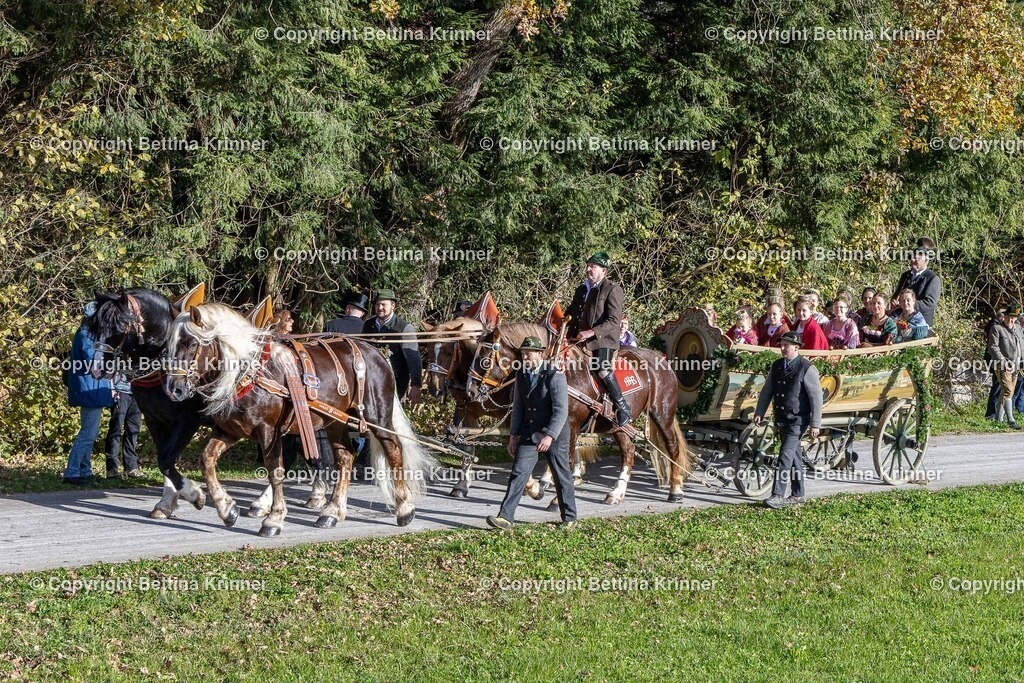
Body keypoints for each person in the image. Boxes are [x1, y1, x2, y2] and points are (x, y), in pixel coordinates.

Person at [487, 337, 577, 530]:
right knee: (518, 473)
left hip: (555, 433)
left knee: (561, 475)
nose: (525, 356)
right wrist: (513, 435)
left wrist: (550, 435)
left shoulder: (554, 375)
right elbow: (518, 407)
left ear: (540, 354)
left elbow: (561, 410)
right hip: (529, 432)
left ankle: (569, 518)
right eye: (523, 353)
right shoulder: (521, 374)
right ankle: (505, 517)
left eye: (529, 353)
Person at [753, 331, 823, 508]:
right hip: (782, 418)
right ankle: (798, 494)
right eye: (781, 345)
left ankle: (777, 495)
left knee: (785, 456)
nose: (783, 348)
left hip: (798, 420)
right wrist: (760, 411)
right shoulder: (777, 366)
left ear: (796, 347)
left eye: (786, 345)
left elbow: (816, 398)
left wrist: (815, 424)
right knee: (794, 457)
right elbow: (767, 390)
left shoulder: (807, 368)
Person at [566, 251, 630, 427]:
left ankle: (622, 406)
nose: (588, 269)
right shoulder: (581, 289)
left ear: (603, 270)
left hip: (604, 340)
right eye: (587, 266)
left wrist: (591, 332)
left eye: (593, 266)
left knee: (601, 368)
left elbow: (613, 321)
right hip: (578, 339)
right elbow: (572, 313)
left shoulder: (612, 289)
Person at [64, 302, 115, 486]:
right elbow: (94, 366)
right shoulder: (87, 336)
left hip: (89, 388)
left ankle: (85, 470)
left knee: (88, 432)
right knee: (88, 434)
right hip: (89, 388)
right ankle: (72, 471)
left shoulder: (85, 333)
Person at [363, 289, 422, 405]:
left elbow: (414, 360)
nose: (380, 308)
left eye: (383, 304)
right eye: (377, 304)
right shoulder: (368, 325)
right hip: (369, 381)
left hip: (394, 383)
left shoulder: (404, 328)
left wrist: (415, 385)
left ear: (393, 306)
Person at [987, 303, 1024, 429]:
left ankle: (998, 419)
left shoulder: (1018, 328)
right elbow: (993, 347)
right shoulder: (997, 329)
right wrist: (1003, 361)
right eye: (1009, 317)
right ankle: (1011, 420)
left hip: (1016, 364)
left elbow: (1021, 346)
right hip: (1002, 364)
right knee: (1008, 390)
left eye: (1014, 317)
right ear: (1004, 316)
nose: (1011, 320)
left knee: (1007, 392)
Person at [891, 237, 942, 327]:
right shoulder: (905, 275)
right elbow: (897, 293)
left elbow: (929, 304)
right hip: (901, 321)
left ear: (926, 260)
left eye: (917, 258)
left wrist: (906, 304)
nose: (912, 260)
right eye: (912, 257)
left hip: (921, 324)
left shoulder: (933, 279)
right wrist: (894, 301)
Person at [104, 372, 143, 479]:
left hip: (138, 392)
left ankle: (131, 467)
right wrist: (111, 388)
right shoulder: (120, 354)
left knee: (133, 430)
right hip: (120, 390)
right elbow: (109, 368)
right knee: (116, 429)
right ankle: (112, 468)